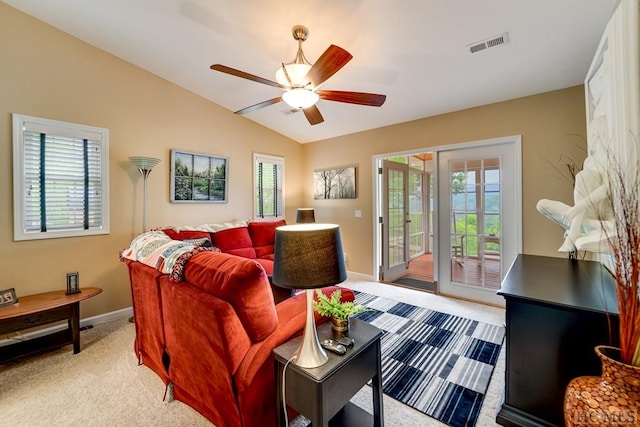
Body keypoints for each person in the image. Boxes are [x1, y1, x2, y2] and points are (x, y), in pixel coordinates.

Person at [536, 139, 612, 253]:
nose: (594, 140)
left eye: (597, 135)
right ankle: (579, 226)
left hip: (599, 209)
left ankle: (574, 230)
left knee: (582, 176)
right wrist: (577, 210)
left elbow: (607, 188)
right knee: (541, 205)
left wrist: (578, 208)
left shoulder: (607, 158)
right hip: (585, 214)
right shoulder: (588, 161)